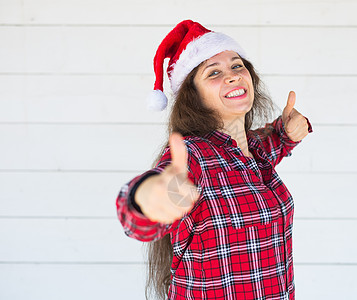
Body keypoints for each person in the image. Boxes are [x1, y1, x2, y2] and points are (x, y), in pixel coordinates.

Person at [116, 20, 313, 300]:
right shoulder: (192, 155)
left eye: (236, 66)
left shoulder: (254, 149)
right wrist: (148, 198)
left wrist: (291, 128)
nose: (232, 76)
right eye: (214, 73)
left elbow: (276, 140)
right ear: (193, 97)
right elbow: (136, 211)